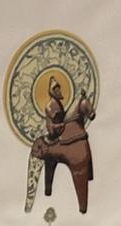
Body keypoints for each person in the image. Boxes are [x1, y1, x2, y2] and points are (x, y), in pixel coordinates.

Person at [29, 75, 95, 214]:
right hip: (55, 135)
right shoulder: (50, 106)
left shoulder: (59, 103)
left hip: (62, 132)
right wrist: (57, 126)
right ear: (52, 92)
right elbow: (50, 126)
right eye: (56, 89)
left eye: (59, 88)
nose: (59, 91)